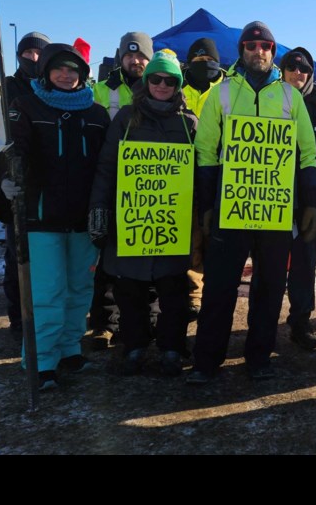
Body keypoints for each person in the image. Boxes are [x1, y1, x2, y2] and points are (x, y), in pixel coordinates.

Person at [187, 21, 316, 383]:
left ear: (272, 53)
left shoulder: (291, 97)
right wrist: (208, 204)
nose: (257, 51)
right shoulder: (224, 93)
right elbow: (206, 151)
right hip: (232, 208)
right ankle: (206, 360)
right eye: (251, 45)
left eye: (265, 46)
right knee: (219, 286)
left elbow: (307, 153)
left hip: (276, 211)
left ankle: (259, 357)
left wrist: (310, 203)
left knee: (270, 286)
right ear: (241, 50)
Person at [4, 43, 110, 390]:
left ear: (83, 74)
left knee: (80, 289)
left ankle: (68, 348)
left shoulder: (96, 114)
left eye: (73, 70)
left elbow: (105, 167)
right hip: (41, 218)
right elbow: (10, 153)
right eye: (59, 69)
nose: (66, 75)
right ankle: (41, 360)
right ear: (46, 72)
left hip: (83, 219)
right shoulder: (26, 106)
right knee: (48, 292)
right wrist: (5, 180)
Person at [88, 50, 198, 377]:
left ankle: (171, 348)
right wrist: (99, 210)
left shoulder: (188, 122)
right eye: (155, 79)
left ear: (178, 84)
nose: (162, 85)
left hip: (172, 224)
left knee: (174, 293)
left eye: (169, 80)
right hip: (132, 221)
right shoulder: (125, 118)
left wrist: (199, 219)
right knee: (130, 291)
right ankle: (134, 346)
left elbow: (201, 173)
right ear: (147, 81)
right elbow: (107, 168)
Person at [0, 31, 51, 337]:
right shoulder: (5, 91)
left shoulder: (53, 88)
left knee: (47, 266)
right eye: (28, 53)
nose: (34, 58)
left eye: (39, 54)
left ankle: (47, 322)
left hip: (49, 193)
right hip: (16, 190)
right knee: (18, 261)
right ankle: (21, 323)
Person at [88, 32, 154, 349]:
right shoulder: (102, 90)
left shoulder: (159, 86)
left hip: (150, 187)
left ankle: (147, 322)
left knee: (149, 256)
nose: (135, 60)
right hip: (114, 181)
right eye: (129, 55)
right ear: (120, 57)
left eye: (141, 55)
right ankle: (105, 323)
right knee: (109, 260)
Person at [278, 47, 316, 350]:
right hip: (271, 200)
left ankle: (300, 322)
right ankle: (261, 324)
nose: (297, 74)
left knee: (304, 265)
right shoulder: (270, 99)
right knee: (271, 266)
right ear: (283, 70)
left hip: (309, 202)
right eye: (292, 67)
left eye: (303, 69)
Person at [180, 37, 226, 320]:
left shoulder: (227, 90)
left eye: (208, 60)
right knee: (192, 237)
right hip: (184, 175)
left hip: (221, 173)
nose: (203, 65)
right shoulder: (176, 87)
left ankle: (214, 292)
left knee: (214, 236)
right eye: (197, 61)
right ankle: (193, 293)